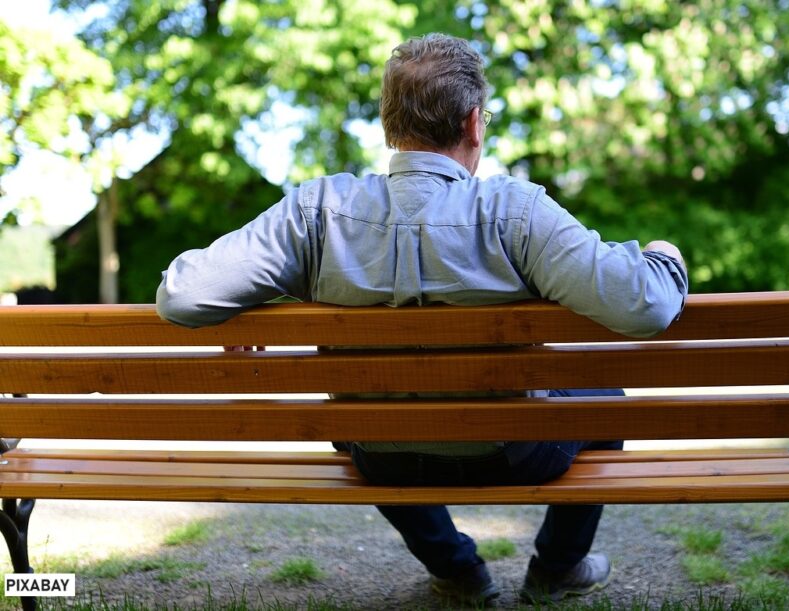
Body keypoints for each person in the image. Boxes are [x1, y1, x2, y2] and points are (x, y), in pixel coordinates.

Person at [156, 33, 688, 606]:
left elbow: (182, 296)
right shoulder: (515, 211)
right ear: (473, 124)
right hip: (514, 453)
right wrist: (665, 256)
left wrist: (260, 300)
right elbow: (646, 304)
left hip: (381, 456)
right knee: (606, 396)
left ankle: (458, 571)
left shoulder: (315, 213)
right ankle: (557, 569)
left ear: (390, 126)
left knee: (370, 420)